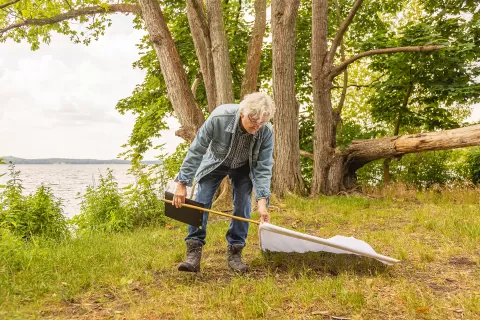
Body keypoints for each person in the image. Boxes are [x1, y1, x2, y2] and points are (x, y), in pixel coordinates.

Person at [172, 92, 275, 273]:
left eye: (262, 122)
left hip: (244, 166)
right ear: (243, 112)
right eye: (254, 120)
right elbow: (197, 150)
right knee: (201, 201)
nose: (257, 126)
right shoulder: (220, 117)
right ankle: (193, 252)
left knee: (243, 205)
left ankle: (235, 251)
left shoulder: (266, 131)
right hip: (216, 163)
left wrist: (262, 203)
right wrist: (182, 184)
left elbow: (263, 167)